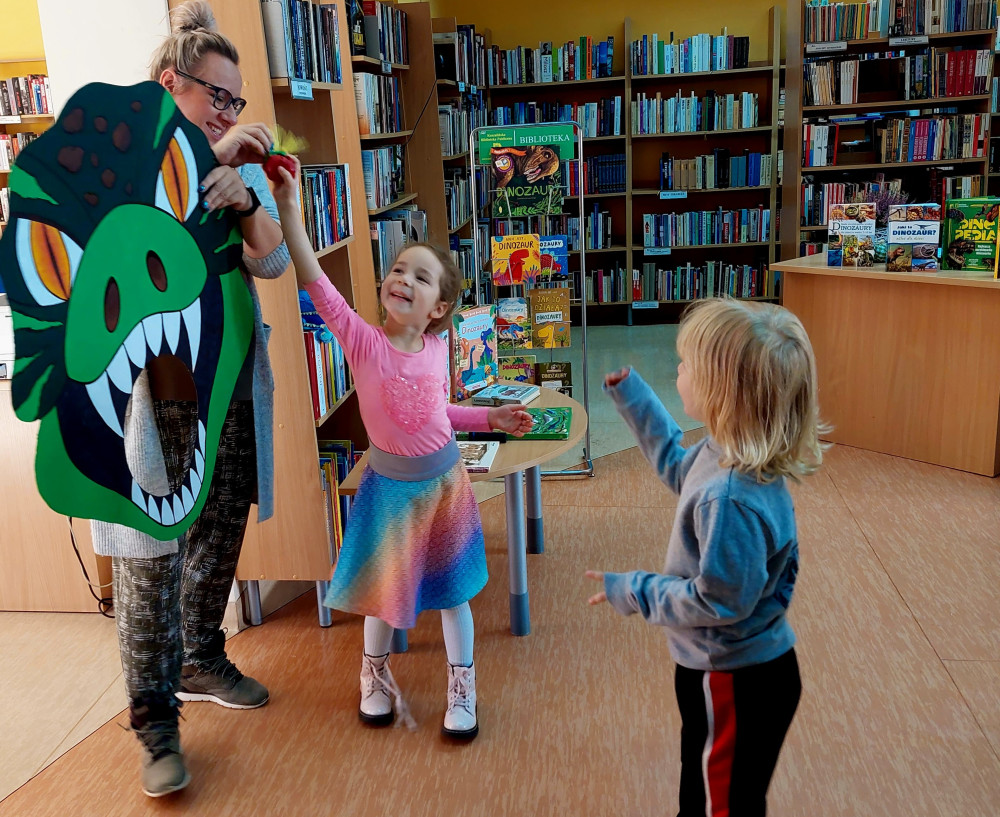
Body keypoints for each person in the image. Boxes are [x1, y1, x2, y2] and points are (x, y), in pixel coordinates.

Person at [89, 0, 290, 797]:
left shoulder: (236, 170)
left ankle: (201, 654)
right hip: (153, 396)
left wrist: (246, 197)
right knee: (149, 552)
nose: (229, 113)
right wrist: (207, 164)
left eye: (237, 101)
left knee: (225, 510)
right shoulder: (123, 158)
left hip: (229, 377)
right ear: (172, 84)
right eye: (218, 96)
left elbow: (272, 263)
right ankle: (155, 725)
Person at [270, 156, 531, 741]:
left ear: (438, 308)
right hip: (388, 491)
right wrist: (288, 207)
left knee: (454, 595)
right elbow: (316, 281)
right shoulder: (362, 341)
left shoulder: (439, 349)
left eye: (420, 276)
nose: (403, 278)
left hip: (444, 488)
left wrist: (488, 416)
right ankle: (374, 677)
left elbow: (438, 413)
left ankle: (462, 687)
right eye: (397, 268)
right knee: (384, 596)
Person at [585, 298, 828, 817]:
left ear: (723, 393)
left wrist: (634, 591)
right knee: (705, 785)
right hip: (723, 669)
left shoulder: (730, 498)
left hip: (733, 677)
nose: (678, 369)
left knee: (724, 804)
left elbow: (718, 602)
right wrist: (635, 399)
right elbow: (680, 468)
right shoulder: (724, 452)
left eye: (688, 365)